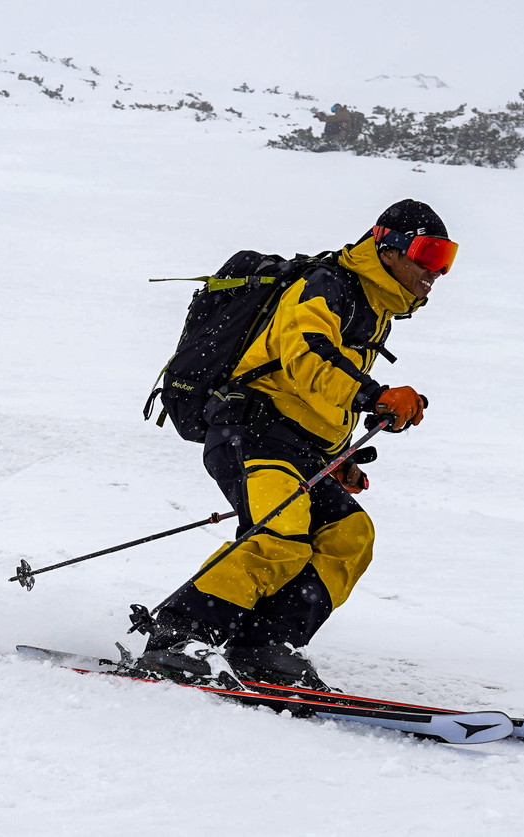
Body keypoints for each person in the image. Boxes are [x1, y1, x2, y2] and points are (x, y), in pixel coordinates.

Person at [135, 199, 459, 689]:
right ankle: (177, 639)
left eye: (445, 258)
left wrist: (336, 460)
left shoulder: (374, 308)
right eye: (427, 254)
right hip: (252, 430)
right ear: (387, 246)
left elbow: (316, 396)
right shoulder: (328, 285)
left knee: (349, 536)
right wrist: (376, 395)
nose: (434, 271)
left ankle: (266, 646)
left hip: (297, 447)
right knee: (280, 537)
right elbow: (307, 357)